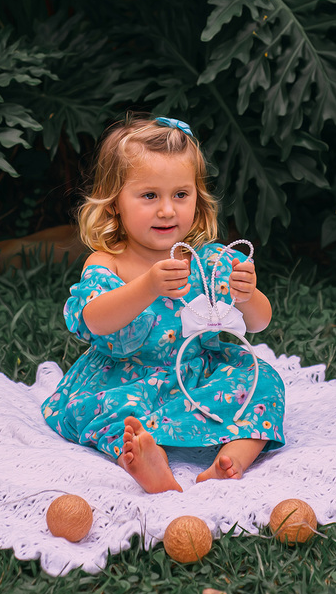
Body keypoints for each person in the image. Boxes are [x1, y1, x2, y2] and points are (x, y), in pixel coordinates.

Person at [41, 115, 286, 493]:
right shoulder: (109, 260)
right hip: (125, 379)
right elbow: (94, 319)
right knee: (113, 414)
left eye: (181, 195)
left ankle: (233, 457)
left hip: (197, 375)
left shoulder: (208, 259)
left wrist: (248, 294)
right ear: (114, 205)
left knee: (262, 383)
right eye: (150, 195)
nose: (168, 210)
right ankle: (140, 458)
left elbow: (259, 323)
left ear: (197, 200)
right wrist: (148, 286)